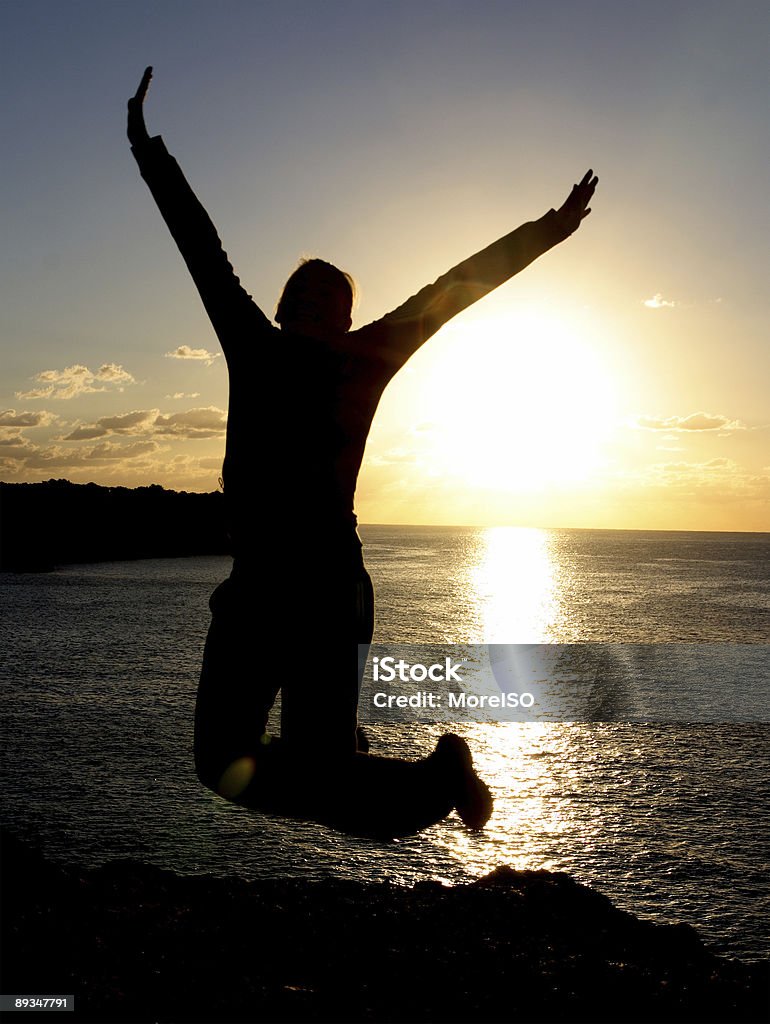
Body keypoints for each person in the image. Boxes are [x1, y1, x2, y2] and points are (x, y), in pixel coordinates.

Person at [127, 67, 597, 838]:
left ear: (348, 321)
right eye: (302, 301)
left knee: (331, 784)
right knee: (221, 763)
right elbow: (200, 248)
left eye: (330, 303)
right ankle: (393, 765)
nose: (314, 310)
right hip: (254, 588)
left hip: (324, 588)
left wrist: (549, 229)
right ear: (281, 311)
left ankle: (426, 775)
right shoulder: (252, 345)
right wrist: (149, 151)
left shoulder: (369, 358)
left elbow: (458, 286)